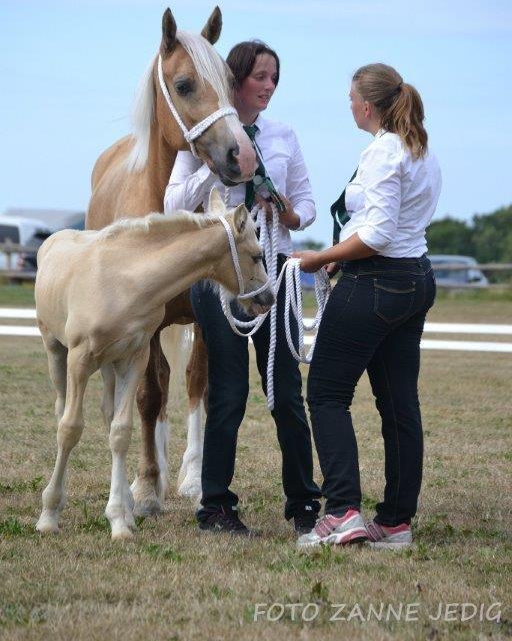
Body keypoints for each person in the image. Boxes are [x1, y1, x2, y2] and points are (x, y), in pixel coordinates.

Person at [164, 40, 321, 536]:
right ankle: (216, 505)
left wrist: (287, 210)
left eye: (275, 78)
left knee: (285, 392)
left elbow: (308, 205)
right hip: (221, 278)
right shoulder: (204, 139)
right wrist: (211, 171)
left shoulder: (283, 135)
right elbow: (173, 204)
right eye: (260, 77)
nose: (269, 86)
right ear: (235, 81)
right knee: (227, 393)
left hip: (271, 266)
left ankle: (303, 503)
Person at [294, 63, 441, 550]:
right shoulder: (421, 150)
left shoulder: (382, 152)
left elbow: (376, 237)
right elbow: (395, 228)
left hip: (376, 283)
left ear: (368, 105)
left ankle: (341, 512)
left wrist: (321, 258)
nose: (349, 104)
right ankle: (396, 521)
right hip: (415, 279)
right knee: (400, 404)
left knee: (327, 394)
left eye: (351, 97)